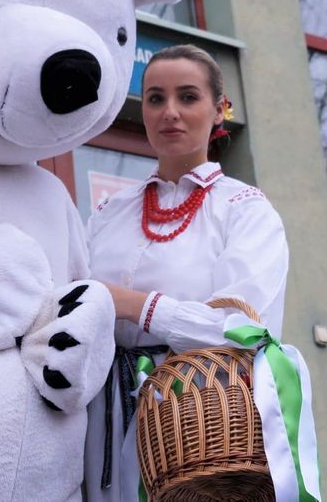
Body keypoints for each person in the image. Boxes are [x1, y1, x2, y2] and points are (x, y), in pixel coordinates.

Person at [83, 44, 289, 501]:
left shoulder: (244, 209)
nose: (169, 112)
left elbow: (245, 331)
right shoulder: (110, 210)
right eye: (156, 98)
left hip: (198, 416)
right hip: (99, 411)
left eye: (188, 97)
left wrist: (128, 303)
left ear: (220, 111)